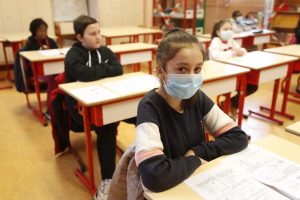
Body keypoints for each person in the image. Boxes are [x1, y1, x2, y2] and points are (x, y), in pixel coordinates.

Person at [134, 29, 249, 192]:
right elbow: (154, 175)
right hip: (170, 190)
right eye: (182, 69)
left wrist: (197, 151)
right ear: (161, 71)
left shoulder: (197, 98)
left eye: (197, 69)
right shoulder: (149, 106)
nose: (191, 77)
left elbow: (238, 137)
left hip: (198, 182)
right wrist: (193, 161)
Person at [64, 15, 135, 200]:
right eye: (92, 34)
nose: (98, 37)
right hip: (81, 107)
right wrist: (105, 68)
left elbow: (118, 69)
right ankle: (108, 181)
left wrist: (97, 70)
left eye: (99, 33)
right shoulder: (73, 55)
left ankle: (150, 159)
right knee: (107, 125)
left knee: (143, 113)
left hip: (110, 98)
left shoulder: (104, 50)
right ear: (80, 37)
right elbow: (83, 74)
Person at [209, 19, 257, 119]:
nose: (229, 31)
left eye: (230, 29)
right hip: (219, 74)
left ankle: (231, 103)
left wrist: (242, 51)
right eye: (225, 29)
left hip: (233, 71)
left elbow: (241, 50)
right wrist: (233, 53)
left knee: (252, 86)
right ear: (218, 32)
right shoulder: (216, 41)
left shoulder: (231, 40)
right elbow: (216, 56)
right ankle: (230, 106)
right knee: (242, 86)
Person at [23, 18, 58, 119]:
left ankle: (61, 107)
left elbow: (58, 52)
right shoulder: (30, 43)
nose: (43, 33)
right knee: (53, 79)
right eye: (40, 30)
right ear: (34, 31)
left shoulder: (51, 41)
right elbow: (27, 62)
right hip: (37, 73)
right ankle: (50, 110)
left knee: (64, 76)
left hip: (53, 69)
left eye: (45, 30)